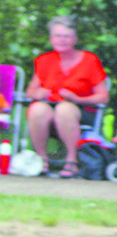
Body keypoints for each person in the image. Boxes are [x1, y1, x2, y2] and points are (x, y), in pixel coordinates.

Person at [25, 16, 109, 178]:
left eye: (67, 36)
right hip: (49, 109)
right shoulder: (44, 60)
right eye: (57, 36)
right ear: (51, 38)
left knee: (65, 109)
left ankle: (72, 160)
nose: (61, 40)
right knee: (37, 109)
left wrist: (77, 98)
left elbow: (103, 97)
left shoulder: (89, 60)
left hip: (81, 110)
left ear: (75, 39)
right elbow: (30, 92)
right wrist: (37, 93)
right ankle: (41, 159)